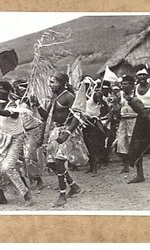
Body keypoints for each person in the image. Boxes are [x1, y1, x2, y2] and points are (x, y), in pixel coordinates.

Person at [33, 72, 87, 207]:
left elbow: (77, 117)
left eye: (53, 82)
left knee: (59, 161)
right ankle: (74, 187)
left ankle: (62, 194)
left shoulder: (69, 96)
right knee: (51, 163)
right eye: (50, 82)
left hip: (67, 131)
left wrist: (67, 133)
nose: (50, 85)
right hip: (56, 131)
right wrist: (37, 105)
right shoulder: (55, 97)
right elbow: (48, 117)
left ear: (61, 83)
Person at [13, 79, 45, 190]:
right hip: (21, 132)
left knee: (29, 156)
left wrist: (32, 102)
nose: (19, 91)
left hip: (33, 130)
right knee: (22, 158)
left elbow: (39, 111)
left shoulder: (30, 100)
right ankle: (32, 178)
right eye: (17, 89)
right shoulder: (16, 102)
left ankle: (38, 179)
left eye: (22, 89)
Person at [83, 80, 109, 175]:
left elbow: (103, 104)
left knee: (94, 145)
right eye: (83, 84)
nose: (84, 86)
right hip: (85, 123)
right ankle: (91, 166)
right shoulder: (82, 95)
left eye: (86, 84)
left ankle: (95, 168)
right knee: (87, 145)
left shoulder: (95, 94)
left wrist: (99, 114)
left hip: (93, 122)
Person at [116, 75, 137, 174]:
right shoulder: (120, 94)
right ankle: (125, 166)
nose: (123, 86)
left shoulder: (136, 94)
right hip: (123, 121)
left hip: (133, 120)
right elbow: (116, 107)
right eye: (122, 84)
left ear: (131, 85)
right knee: (121, 143)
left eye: (125, 84)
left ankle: (136, 165)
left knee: (132, 142)